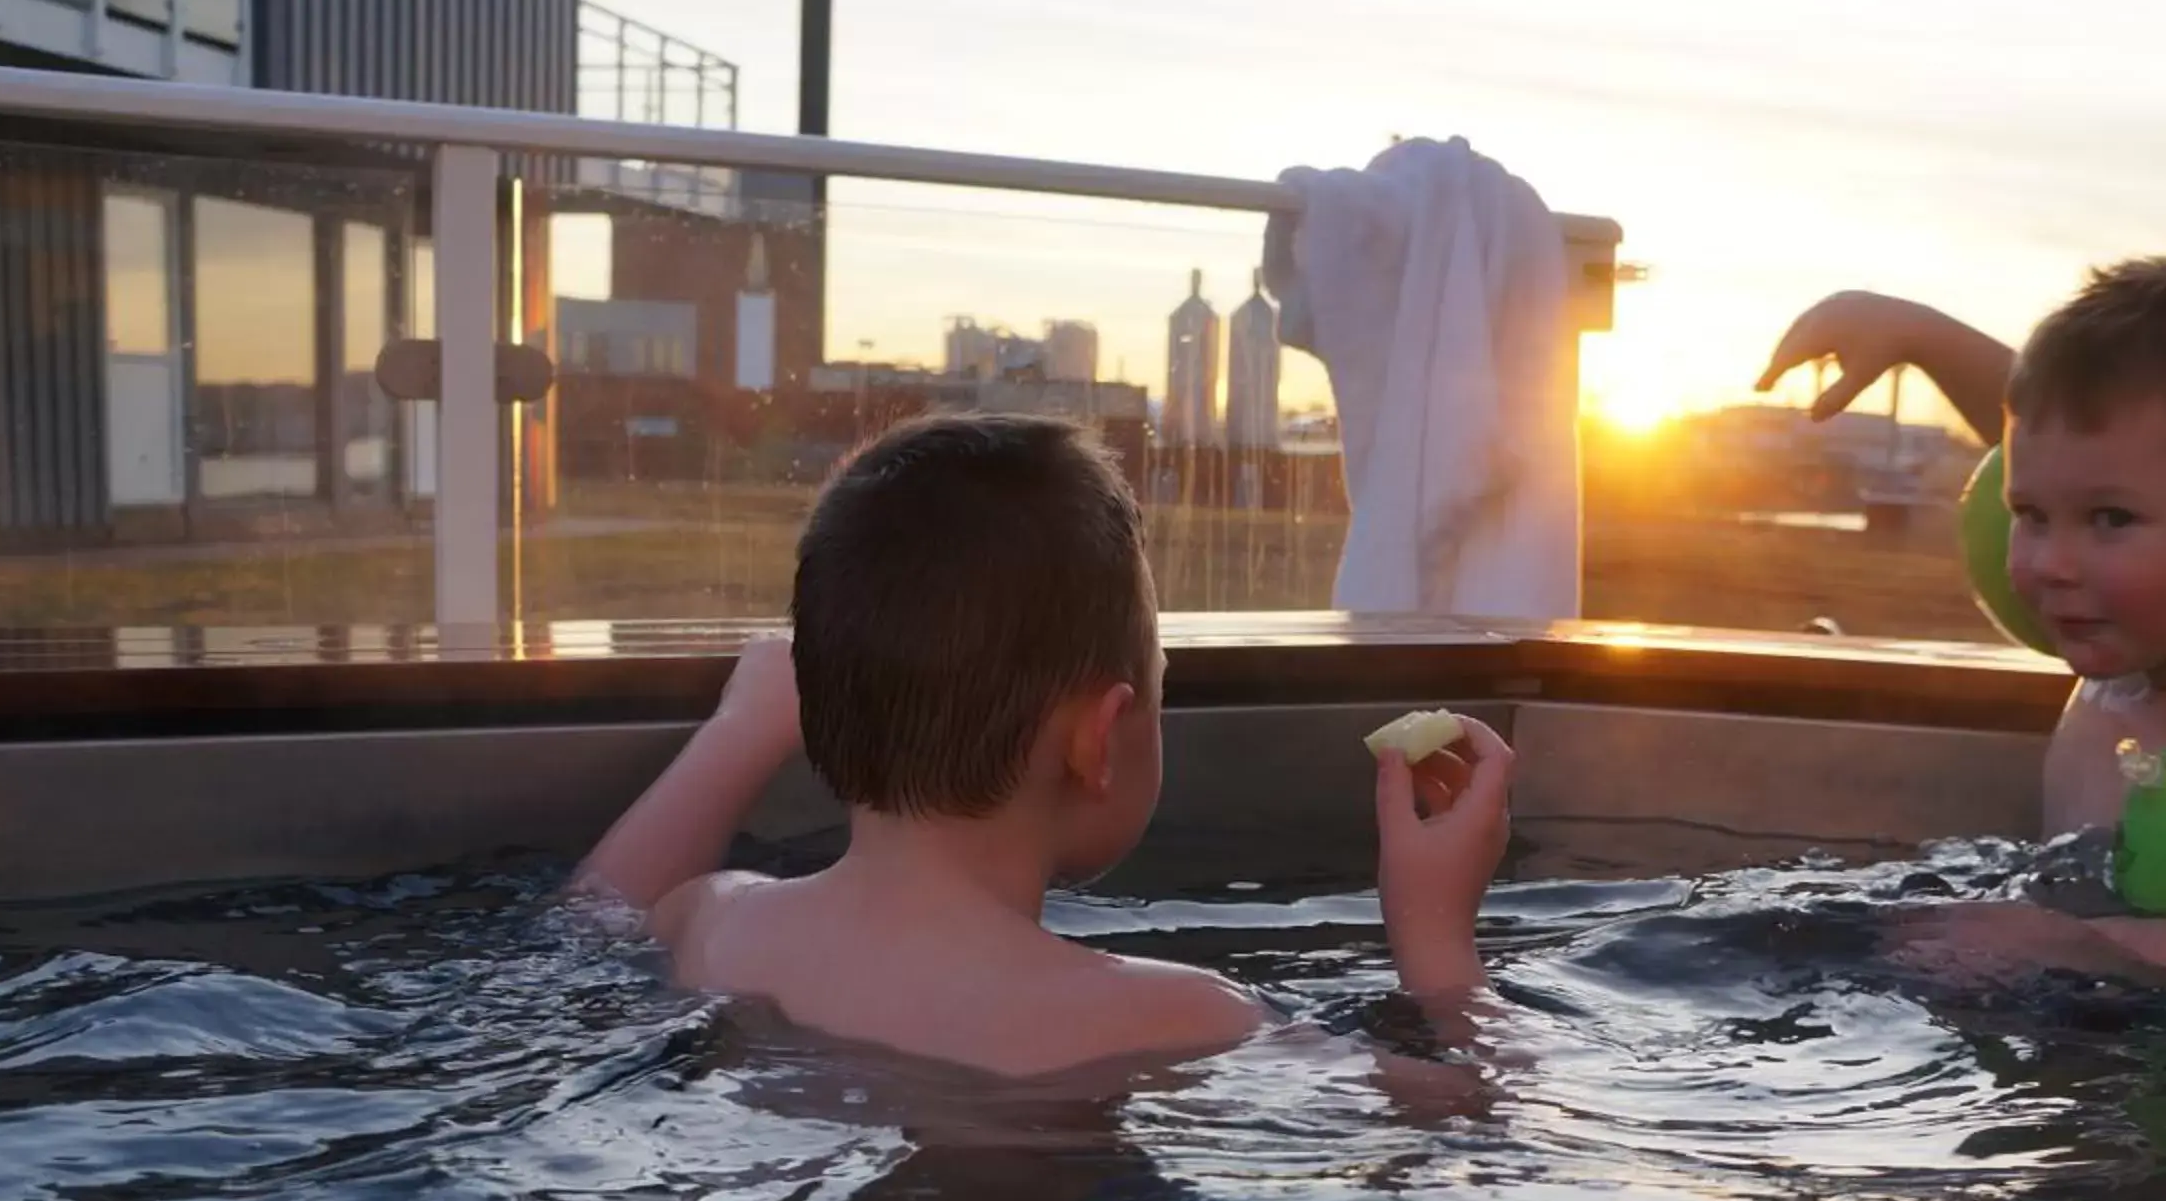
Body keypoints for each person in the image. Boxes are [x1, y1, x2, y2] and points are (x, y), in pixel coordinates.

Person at [576, 413, 1513, 1077]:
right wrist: (1436, 940)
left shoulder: (720, 923)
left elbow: (587, 926)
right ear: (1099, 740)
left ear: (815, 712)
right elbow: (1467, 1109)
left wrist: (741, 733)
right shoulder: (1177, 1013)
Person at [1760, 258, 2166, 997]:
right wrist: (1916, 334)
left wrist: (2070, 946)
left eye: (2110, 519)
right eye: (2031, 515)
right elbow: (2064, 445)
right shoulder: (2135, 642)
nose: (2052, 564)